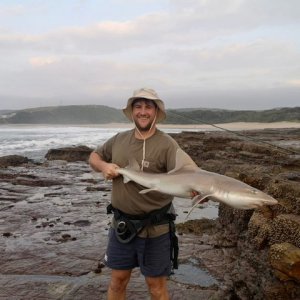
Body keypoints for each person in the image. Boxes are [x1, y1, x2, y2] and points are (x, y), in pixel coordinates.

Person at [89, 88, 192, 300]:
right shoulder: (118, 139)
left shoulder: (167, 144)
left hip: (156, 229)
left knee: (156, 287)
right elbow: (94, 156)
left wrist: (200, 191)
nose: (143, 111)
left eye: (148, 106)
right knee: (117, 281)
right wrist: (103, 166)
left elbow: (189, 173)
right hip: (122, 226)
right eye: (138, 106)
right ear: (132, 111)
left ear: (156, 111)